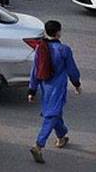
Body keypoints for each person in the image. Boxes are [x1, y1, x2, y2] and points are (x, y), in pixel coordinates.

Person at [28, 20, 82, 164]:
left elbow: (35, 70)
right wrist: (77, 84)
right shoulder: (64, 50)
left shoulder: (40, 48)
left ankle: (62, 136)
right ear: (58, 32)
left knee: (55, 112)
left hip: (45, 87)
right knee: (52, 115)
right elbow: (72, 70)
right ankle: (39, 144)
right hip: (58, 88)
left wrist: (32, 90)